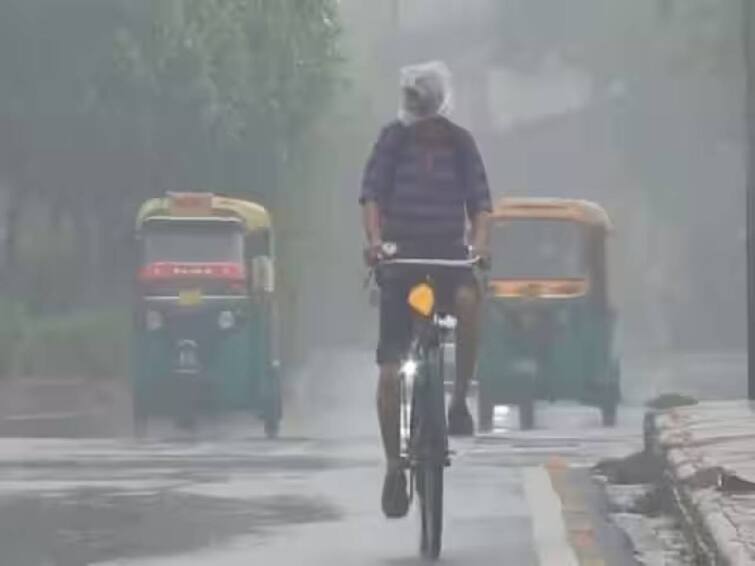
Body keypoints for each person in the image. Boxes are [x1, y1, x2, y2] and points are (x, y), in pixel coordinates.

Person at [359, 61, 492, 518]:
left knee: (470, 303)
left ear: (437, 105)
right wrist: (375, 242)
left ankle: (457, 401)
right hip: (400, 262)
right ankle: (395, 466)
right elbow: (372, 194)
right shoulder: (392, 140)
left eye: (421, 101)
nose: (415, 109)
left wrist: (479, 247)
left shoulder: (461, 144)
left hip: (450, 259)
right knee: (391, 372)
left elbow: (481, 206)